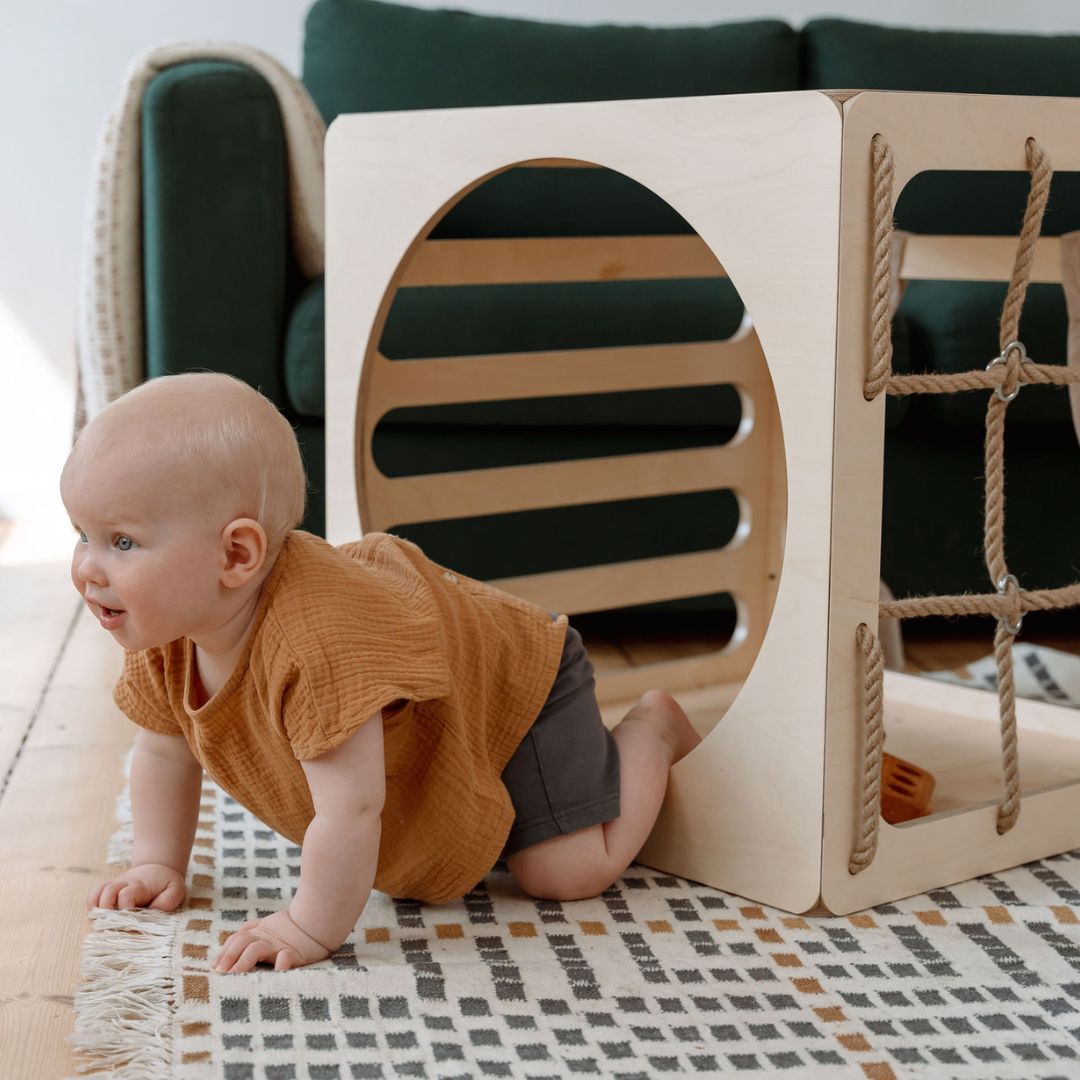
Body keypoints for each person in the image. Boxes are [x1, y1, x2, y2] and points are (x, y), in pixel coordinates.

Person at [61, 372, 701, 974]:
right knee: (511, 844)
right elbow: (166, 752)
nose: (89, 567)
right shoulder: (165, 626)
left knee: (565, 872)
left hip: (519, 686)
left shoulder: (319, 645)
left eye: (121, 542)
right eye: (81, 535)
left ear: (236, 554)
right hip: (447, 702)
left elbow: (353, 809)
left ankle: (653, 726)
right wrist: (155, 861)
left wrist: (309, 926)